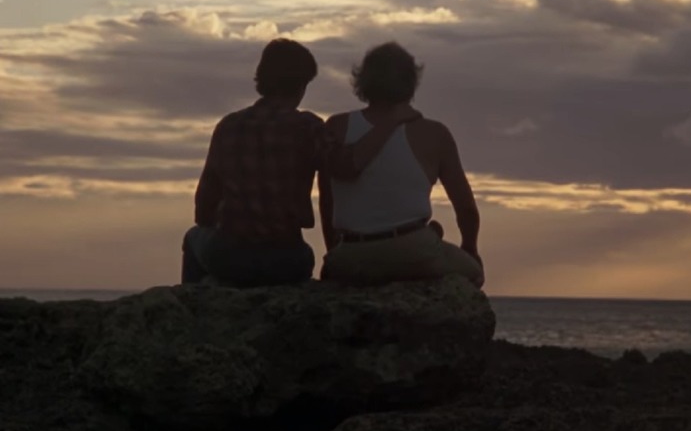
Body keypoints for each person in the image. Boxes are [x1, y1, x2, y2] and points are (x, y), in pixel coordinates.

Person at [182, 38, 418, 287]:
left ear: (261, 78)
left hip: (231, 257)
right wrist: (390, 122)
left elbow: (203, 209)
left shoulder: (228, 127)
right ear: (302, 85)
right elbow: (347, 167)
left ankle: (191, 311)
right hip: (288, 259)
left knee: (193, 238)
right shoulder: (309, 128)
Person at [319, 42, 485, 288]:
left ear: (363, 80)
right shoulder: (435, 134)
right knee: (473, 274)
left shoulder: (337, 126)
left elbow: (327, 200)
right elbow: (466, 209)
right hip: (412, 251)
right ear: (411, 82)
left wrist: (335, 250)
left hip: (351, 253)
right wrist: (470, 248)